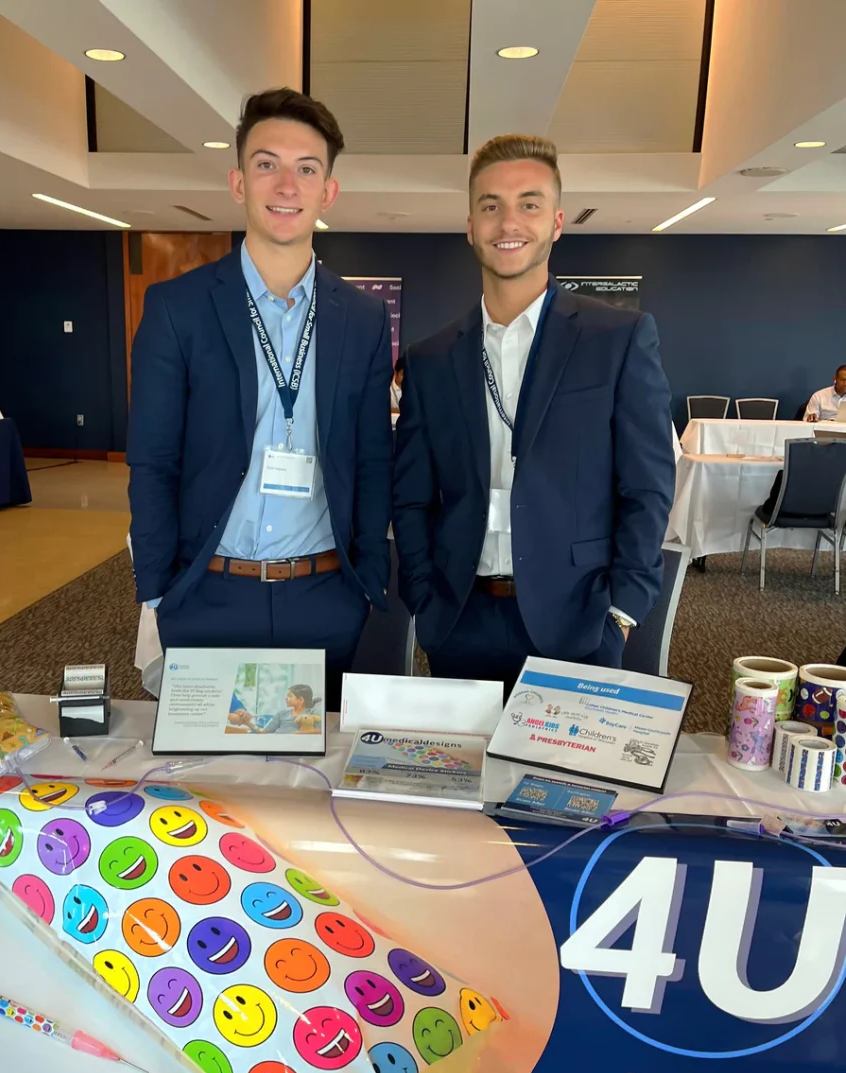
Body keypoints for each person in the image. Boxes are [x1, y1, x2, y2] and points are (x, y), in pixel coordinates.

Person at [127, 89, 393, 710]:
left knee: (311, 792)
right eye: (266, 163)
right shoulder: (178, 309)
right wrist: (160, 589)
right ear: (238, 181)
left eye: (307, 169)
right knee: (209, 789)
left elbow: (374, 459)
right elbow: (153, 460)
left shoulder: (362, 318)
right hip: (208, 593)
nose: (286, 184)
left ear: (328, 191)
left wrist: (367, 582)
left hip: (325, 596)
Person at [392, 133, 675, 687]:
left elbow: (648, 485)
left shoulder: (617, 339)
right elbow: (411, 497)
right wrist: (424, 596)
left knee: (570, 776)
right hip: (459, 621)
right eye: (490, 206)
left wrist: (622, 610)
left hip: (580, 624)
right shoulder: (431, 358)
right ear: (471, 225)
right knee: (461, 773)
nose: (509, 222)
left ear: (557, 222)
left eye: (529, 204)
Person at [229, 683, 320, 734]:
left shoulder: (312, 714)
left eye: (289, 696)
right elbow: (264, 732)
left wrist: (297, 735)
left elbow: (320, 731)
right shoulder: (281, 714)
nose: (286, 698)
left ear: (300, 700)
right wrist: (248, 723)